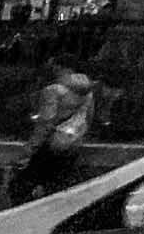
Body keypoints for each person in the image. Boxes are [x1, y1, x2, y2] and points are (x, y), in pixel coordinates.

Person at [9, 56, 95, 204]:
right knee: (58, 189)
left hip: (52, 145)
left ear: (59, 68)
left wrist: (29, 150)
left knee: (20, 187)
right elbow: (88, 119)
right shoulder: (88, 94)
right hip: (73, 146)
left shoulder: (53, 90)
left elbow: (46, 122)